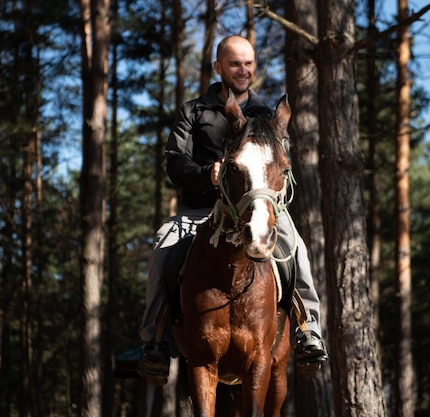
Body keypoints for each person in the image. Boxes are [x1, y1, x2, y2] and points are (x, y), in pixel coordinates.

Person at [138, 35, 328, 385]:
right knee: (163, 249)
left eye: (249, 63)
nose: (243, 70)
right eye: (235, 63)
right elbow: (174, 164)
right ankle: (155, 342)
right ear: (218, 67)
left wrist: (270, 196)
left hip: (256, 209)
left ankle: (308, 331)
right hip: (201, 212)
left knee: (297, 248)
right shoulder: (193, 112)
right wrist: (205, 174)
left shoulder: (266, 117)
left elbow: (281, 168)